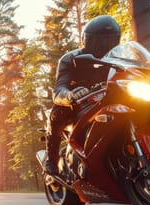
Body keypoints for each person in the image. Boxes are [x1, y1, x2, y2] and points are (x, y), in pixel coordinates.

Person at [44, 15, 121, 175]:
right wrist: (70, 96)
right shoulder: (70, 59)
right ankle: (51, 161)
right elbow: (59, 90)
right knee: (59, 111)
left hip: (109, 104)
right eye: (99, 41)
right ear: (87, 40)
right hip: (80, 108)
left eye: (110, 40)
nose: (106, 45)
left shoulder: (121, 59)